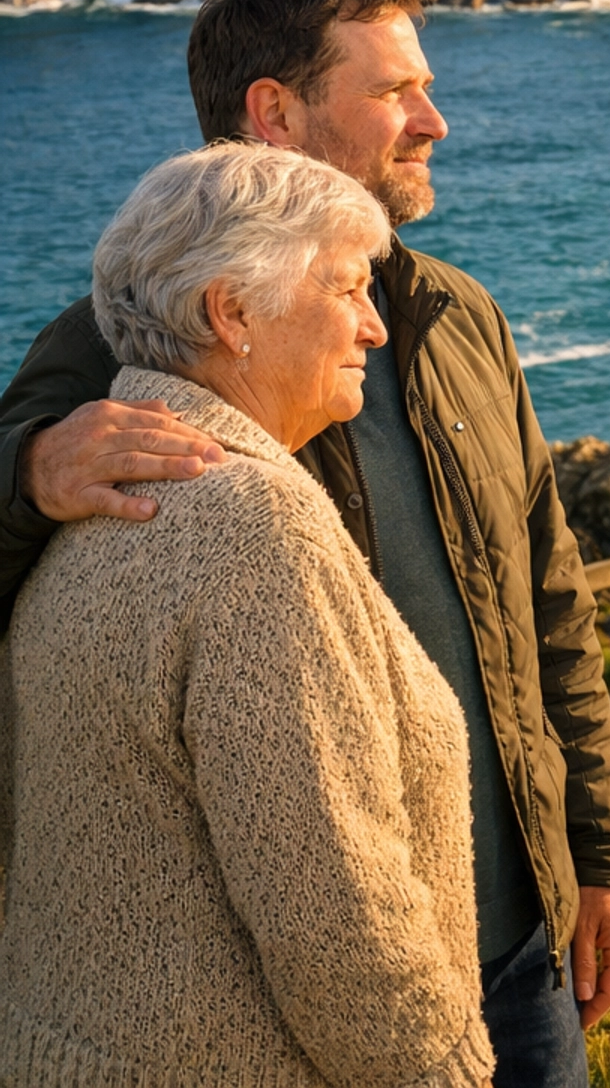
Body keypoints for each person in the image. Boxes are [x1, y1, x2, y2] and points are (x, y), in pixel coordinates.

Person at [0, 0, 610, 1088]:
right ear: (274, 113)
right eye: (394, 91)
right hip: (319, 992)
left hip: (519, 936)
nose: (432, 120)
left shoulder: (451, 315)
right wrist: (27, 465)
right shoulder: (133, 338)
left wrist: (597, 853)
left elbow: (548, 597)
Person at [0, 143, 495, 1088]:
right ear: (233, 313)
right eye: (348, 289)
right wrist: (445, 1070)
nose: (374, 328)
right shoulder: (252, 527)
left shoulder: (79, 495)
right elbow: (335, 907)